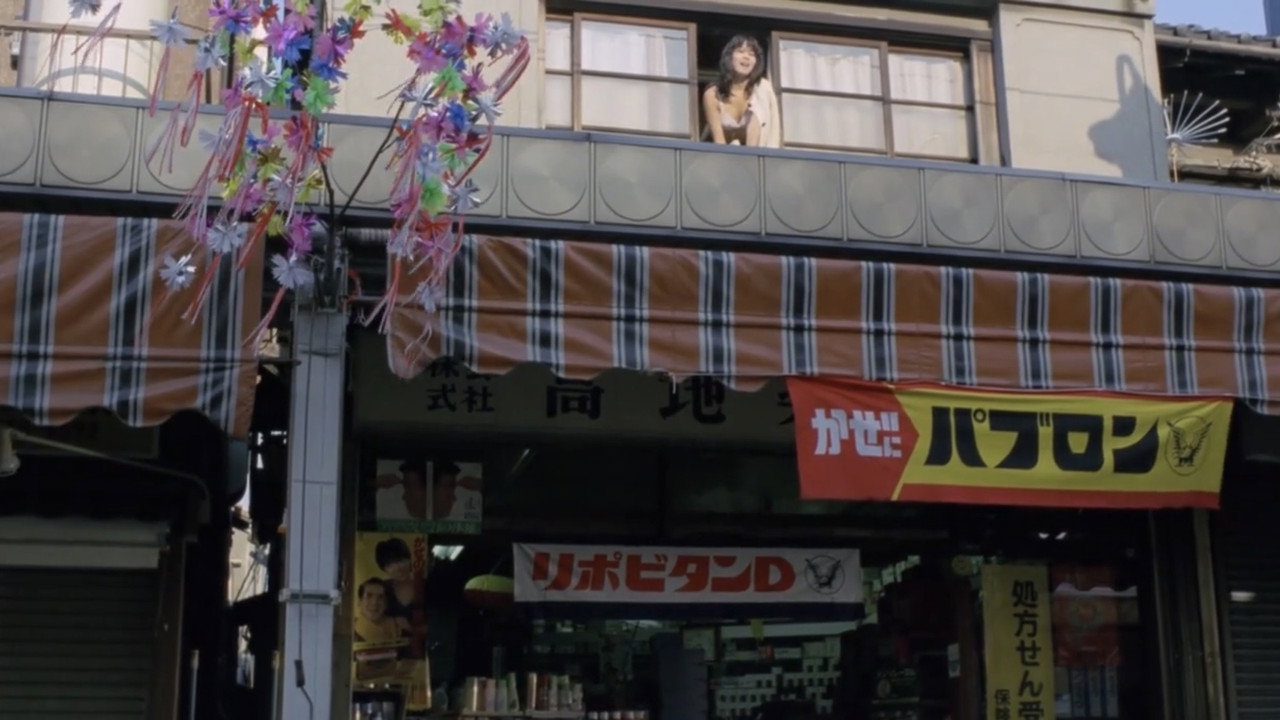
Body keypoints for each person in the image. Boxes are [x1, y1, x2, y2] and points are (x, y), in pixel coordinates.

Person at [702, 35, 780, 148]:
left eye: (751, 54)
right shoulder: (712, 94)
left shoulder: (762, 90)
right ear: (729, 57)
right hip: (719, 155)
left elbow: (771, 131)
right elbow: (719, 142)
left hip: (755, 155)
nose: (746, 57)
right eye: (740, 51)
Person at [353, 578, 403, 644]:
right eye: (369, 596)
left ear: (386, 604)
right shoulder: (351, 632)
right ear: (359, 602)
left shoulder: (398, 629)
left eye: (380, 597)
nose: (374, 602)